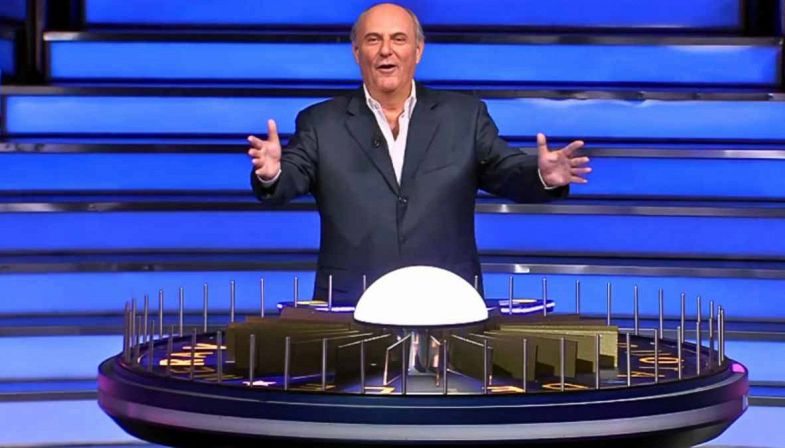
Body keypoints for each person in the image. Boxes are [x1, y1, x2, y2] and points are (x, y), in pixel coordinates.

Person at [248, 3, 590, 304]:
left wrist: (542, 175)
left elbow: (505, 170)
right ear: (356, 51)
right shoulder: (321, 122)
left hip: (447, 299)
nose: (386, 50)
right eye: (373, 39)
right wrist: (272, 173)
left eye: (398, 39)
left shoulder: (464, 116)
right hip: (353, 302)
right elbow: (289, 177)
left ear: (418, 49)